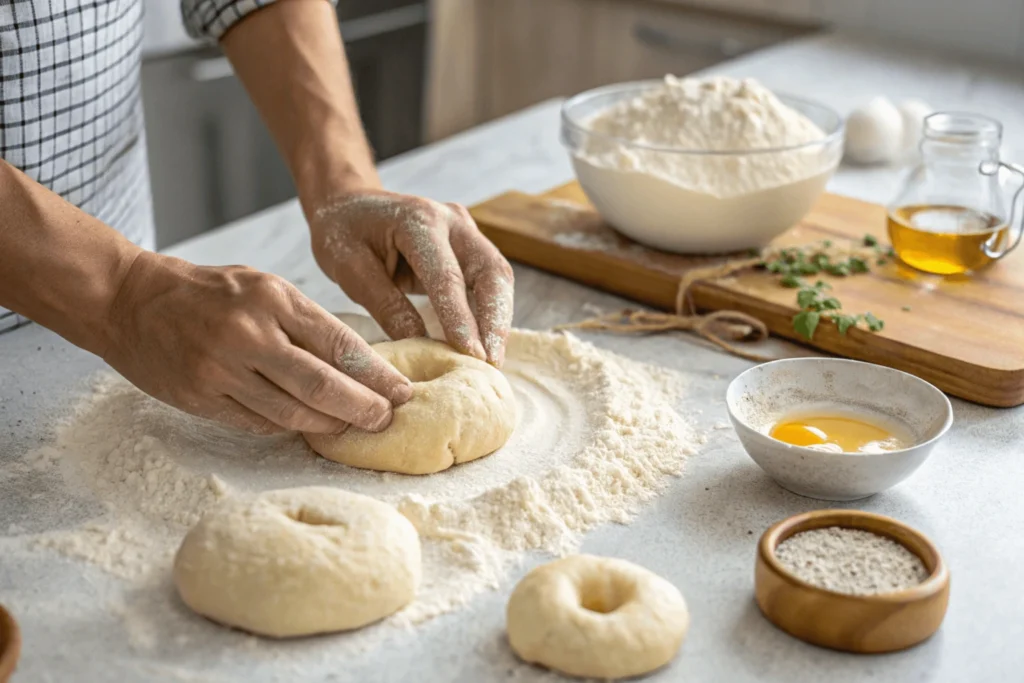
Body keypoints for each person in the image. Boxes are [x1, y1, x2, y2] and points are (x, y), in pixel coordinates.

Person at [0, 0, 514, 436]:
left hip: (126, 288)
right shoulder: (128, 300)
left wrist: (343, 183)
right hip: (124, 306)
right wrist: (120, 295)